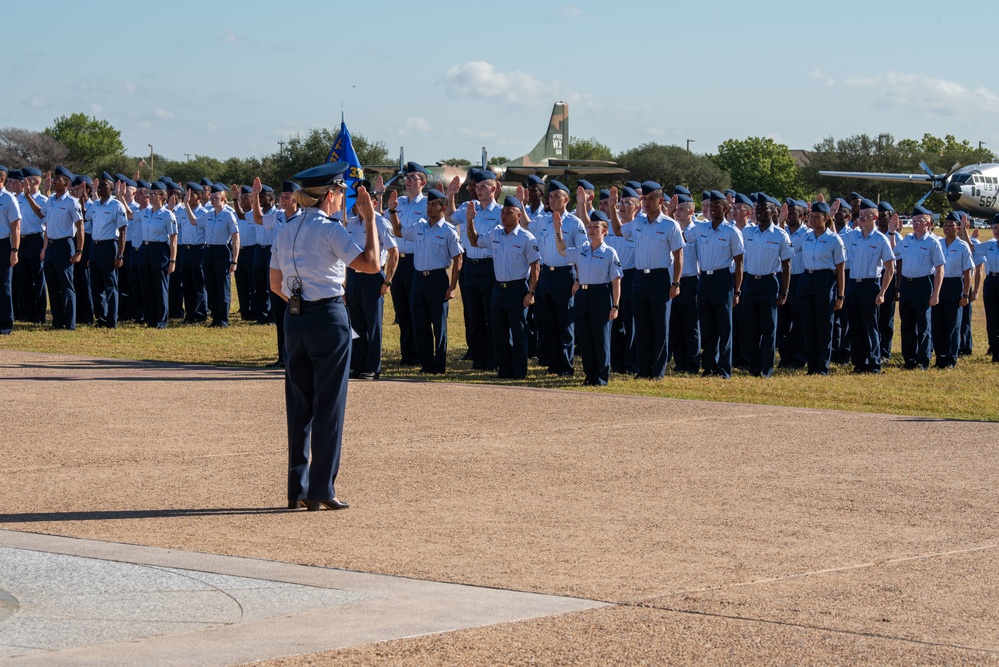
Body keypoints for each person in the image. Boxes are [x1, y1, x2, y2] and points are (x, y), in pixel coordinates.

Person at [269, 161, 381, 511]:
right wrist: (371, 221)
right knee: (329, 405)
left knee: (299, 406)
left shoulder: (286, 229)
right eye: (342, 193)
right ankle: (321, 488)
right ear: (330, 195)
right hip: (328, 318)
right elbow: (371, 264)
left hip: (295, 317)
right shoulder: (331, 229)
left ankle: (297, 488)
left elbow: (275, 284)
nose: (343, 199)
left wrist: (303, 304)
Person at [612, 181, 684, 380]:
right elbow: (618, 231)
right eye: (644, 198)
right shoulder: (638, 222)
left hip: (660, 278)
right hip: (639, 278)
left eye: (651, 198)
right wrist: (612, 207)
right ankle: (643, 370)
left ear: (661, 201)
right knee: (642, 327)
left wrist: (676, 283)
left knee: (660, 328)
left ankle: (657, 371)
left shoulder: (670, 225)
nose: (646, 202)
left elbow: (678, 256)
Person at [463, 195, 540, 380]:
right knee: (499, 330)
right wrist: (469, 221)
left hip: (517, 288)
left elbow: (535, 267)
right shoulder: (495, 234)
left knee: (518, 331)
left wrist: (531, 292)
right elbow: (474, 241)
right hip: (498, 289)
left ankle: (519, 371)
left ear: (519, 215)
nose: (504, 216)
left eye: (508, 212)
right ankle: (504, 370)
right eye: (503, 212)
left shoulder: (526, 238)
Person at [388, 188, 463, 374]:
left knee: (439, 325)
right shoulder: (419, 226)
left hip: (437, 280)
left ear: (443, 208)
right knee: (420, 323)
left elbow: (458, 260)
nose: (429, 208)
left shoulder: (449, 231)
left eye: (434, 205)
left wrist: (452, 287)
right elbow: (398, 231)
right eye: (428, 204)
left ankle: (439, 364)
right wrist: (392, 211)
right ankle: (426, 363)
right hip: (418, 279)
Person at [552, 206, 622, 386]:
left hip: (600, 293)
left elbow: (616, 282)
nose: (591, 230)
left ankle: (601, 376)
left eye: (595, 227)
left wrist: (615, 306)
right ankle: (589, 374)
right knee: (584, 337)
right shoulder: (582, 249)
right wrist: (558, 230)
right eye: (589, 226)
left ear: (605, 231)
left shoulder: (609, 253)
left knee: (601, 337)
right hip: (582, 294)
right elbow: (562, 250)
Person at [447, 169, 503, 371]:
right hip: (470, 266)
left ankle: (492, 358)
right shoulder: (468, 207)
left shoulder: (500, 212)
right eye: (476, 187)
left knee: (491, 315)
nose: (479, 191)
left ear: (494, 188)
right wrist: (451, 194)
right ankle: (478, 357)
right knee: (475, 316)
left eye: (483, 186)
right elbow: (450, 218)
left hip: (489, 266)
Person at [529, 180, 584, 376]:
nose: (552, 200)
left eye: (556, 196)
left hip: (565, 275)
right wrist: (520, 202)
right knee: (548, 322)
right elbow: (526, 225)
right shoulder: (543, 220)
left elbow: (581, 252)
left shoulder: (574, 223)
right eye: (550, 196)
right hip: (546, 274)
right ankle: (553, 363)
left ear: (566, 200)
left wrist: (579, 279)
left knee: (565, 323)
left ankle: (566, 366)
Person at [344, 180, 398, 379]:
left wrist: (388, 281)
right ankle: (358, 364)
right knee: (355, 325)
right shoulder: (350, 223)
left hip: (373, 278)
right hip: (353, 278)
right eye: (358, 200)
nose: (360, 204)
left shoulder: (381, 222)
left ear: (374, 202)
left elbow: (394, 253)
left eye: (364, 200)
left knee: (373, 325)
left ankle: (372, 367)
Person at [22, 166, 84, 330]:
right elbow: (40, 214)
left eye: (58, 179)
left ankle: (69, 324)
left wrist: (79, 251)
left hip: (65, 245)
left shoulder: (72, 202)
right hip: (51, 246)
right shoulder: (51, 201)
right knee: (53, 286)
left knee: (66, 286)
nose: (54, 181)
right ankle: (57, 322)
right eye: (54, 178)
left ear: (66, 183)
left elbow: (80, 227)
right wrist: (27, 196)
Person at [691, 191, 744, 378]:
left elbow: (739, 263)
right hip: (704, 279)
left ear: (726, 208)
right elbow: (683, 235)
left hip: (723, 279)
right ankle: (709, 366)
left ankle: (723, 368)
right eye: (711, 206)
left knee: (724, 327)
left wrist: (737, 290)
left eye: (717, 206)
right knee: (707, 326)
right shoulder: (701, 229)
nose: (713, 210)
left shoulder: (732, 232)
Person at [741, 194, 792, 377]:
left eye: (764, 209)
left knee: (769, 330)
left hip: (769, 283)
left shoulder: (780, 235)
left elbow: (786, 265)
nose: (760, 212)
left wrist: (784, 291)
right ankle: (753, 368)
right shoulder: (747, 233)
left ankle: (766, 369)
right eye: (758, 209)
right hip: (750, 283)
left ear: (773, 212)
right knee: (751, 329)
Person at [842, 198, 896, 373]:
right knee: (855, 326)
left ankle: (873, 363)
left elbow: (890, 268)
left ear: (875, 217)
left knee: (870, 326)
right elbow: (834, 237)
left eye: (867, 215)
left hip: (870, 285)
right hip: (853, 285)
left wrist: (882, 292)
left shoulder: (881, 239)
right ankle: (859, 363)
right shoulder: (852, 236)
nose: (862, 218)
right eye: (861, 215)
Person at [253, 179, 302, 367]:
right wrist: (256, 195)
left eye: (288, 196)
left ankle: (296, 357)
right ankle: (283, 357)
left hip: (295, 272)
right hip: (278, 270)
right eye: (282, 196)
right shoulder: (279, 216)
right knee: (280, 316)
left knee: (295, 314)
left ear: (297, 199)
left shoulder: (303, 218)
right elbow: (258, 219)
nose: (283, 199)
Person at [797, 201, 846, 375]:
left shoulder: (834, 239)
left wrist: (840, 296)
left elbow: (840, 269)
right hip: (807, 278)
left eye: (817, 217)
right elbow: (790, 246)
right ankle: (812, 366)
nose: (813, 220)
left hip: (825, 279)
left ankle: (822, 367)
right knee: (809, 326)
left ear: (826, 218)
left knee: (824, 326)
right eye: (811, 216)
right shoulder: (807, 236)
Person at [387, 162, 429, 366]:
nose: (409, 181)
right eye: (407, 178)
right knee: (402, 311)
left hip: (416, 260)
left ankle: (420, 353)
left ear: (423, 182)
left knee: (417, 310)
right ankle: (407, 354)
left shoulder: (427, 205)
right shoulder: (399, 203)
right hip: (398, 262)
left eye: (414, 177)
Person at [894, 205, 944, 370]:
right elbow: (894, 252)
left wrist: (935, 293)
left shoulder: (932, 243)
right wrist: (892, 232)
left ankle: (923, 360)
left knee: (923, 324)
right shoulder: (907, 239)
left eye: (920, 221)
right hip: (906, 285)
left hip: (922, 284)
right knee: (907, 323)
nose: (915, 223)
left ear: (928, 223)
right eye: (914, 221)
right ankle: (909, 359)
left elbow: (939, 269)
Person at [185, 183, 239, 327]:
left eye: (216, 198)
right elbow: (194, 222)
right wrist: (186, 204)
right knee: (211, 286)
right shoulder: (208, 215)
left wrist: (234, 260)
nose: (213, 200)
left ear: (223, 199)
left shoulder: (228, 215)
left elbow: (235, 238)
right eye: (212, 198)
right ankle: (215, 318)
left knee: (222, 287)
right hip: (208, 251)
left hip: (221, 251)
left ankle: (222, 319)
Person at [931, 212, 973, 368]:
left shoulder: (962, 246)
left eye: (951, 225)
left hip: (954, 285)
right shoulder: (938, 244)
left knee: (953, 324)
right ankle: (940, 357)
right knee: (937, 323)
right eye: (945, 225)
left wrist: (965, 294)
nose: (947, 228)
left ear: (958, 228)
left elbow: (967, 272)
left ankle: (950, 358)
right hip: (938, 284)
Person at [88, 172, 129, 328]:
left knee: (110, 286)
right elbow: (88, 221)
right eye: (100, 185)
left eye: (104, 184)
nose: (100, 187)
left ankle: (111, 320)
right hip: (95, 246)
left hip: (108, 246)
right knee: (96, 286)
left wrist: (120, 255)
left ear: (111, 188)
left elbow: (123, 232)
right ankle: (101, 318)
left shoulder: (116, 205)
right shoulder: (95, 205)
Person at [135, 182, 178, 328]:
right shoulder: (146, 212)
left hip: (159, 250)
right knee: (146, 286)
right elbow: (129, 215)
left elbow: (173, 239)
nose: (151, 196)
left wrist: (172, 260)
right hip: (145, 248)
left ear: (163, 197)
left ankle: (161, 320)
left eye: (154, 194)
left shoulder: (168, 215)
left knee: (160, 286)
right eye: (150, 194)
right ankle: (150, 319)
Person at [668, 193, 701, 374]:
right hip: (674, 280)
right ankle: (679, 361)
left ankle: (692, 363)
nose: (677, 212)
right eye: (676, 209)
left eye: (681, 209)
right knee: (676, 326)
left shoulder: (697, 230)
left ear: (691, 211)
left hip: (690, 280)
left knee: (691, 326)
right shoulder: (671, 228)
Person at [776, 198, 809, 369]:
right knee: (782, 321)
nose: (788, 216)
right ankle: (785, 356)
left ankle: (798, 358)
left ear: (803, 216)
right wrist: (780, 222)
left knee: (798, 321)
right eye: (787, 213)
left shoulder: (807, 234)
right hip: (782, 278)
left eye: (793, 213)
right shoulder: (782, 230)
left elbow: (788, 248)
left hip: (798, 279)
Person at [963, 215, 999, 363]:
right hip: (991, 280)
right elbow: (971, 247)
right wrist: (965, 230)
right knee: (992, 317)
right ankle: (995, 349)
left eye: (998, 227)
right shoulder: (990, 245)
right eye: (994, 227)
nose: (996, 230)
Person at [13, 167, 47, 324]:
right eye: (23, 181)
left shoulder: (42, 200)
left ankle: (39, 314)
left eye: (28, 181)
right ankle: (25, 312)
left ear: (37, 182)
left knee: (38, 279)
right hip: (22, 240)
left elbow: (43, 217)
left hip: (35, 239)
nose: (25, 184)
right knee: (23, 278)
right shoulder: (18, 199)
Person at [875, 201, 901, 360]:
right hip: (876, 277)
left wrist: (898, 286)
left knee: (886, 317)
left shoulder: (896, 236)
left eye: (884, 216)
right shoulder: (874, 234)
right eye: (878, 215)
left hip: (890, 277)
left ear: (891, 218)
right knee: (874, 317)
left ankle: (884, 351)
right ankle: (874, 348)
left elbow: (898, 259)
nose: (880, 219)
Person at [0, 164, 21, 334]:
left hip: (4, 244)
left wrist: (14, 251)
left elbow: (16, 227)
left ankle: (5, 325)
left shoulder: (8, 199)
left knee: (5, 286)